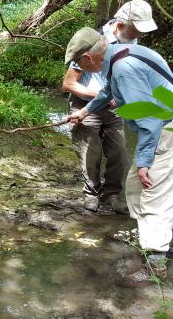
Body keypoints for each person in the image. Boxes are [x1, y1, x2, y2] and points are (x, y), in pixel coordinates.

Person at [65, 26, 173, 284]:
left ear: (88, 58)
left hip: (164, 129)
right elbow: (108, 92)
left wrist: (146, 161)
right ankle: (162, 240)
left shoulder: (123, 69)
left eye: (78, 62)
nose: (77, 66)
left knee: (151, 194)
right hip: (164, 123)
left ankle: (156, 266)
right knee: (137, 188)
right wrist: (86, 110)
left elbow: (148, 119)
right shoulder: (126, 53)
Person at [62, 0, 157, 213]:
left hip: (114, 108)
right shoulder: (91, 41)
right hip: (85, 106)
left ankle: (112, 194)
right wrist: (100, 97)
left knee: (119, 153)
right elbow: (68, 83)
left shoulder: (133, 45)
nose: (137, 36)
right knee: (90, 153)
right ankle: (91, 193)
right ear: (121, 25)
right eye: (135, 30)